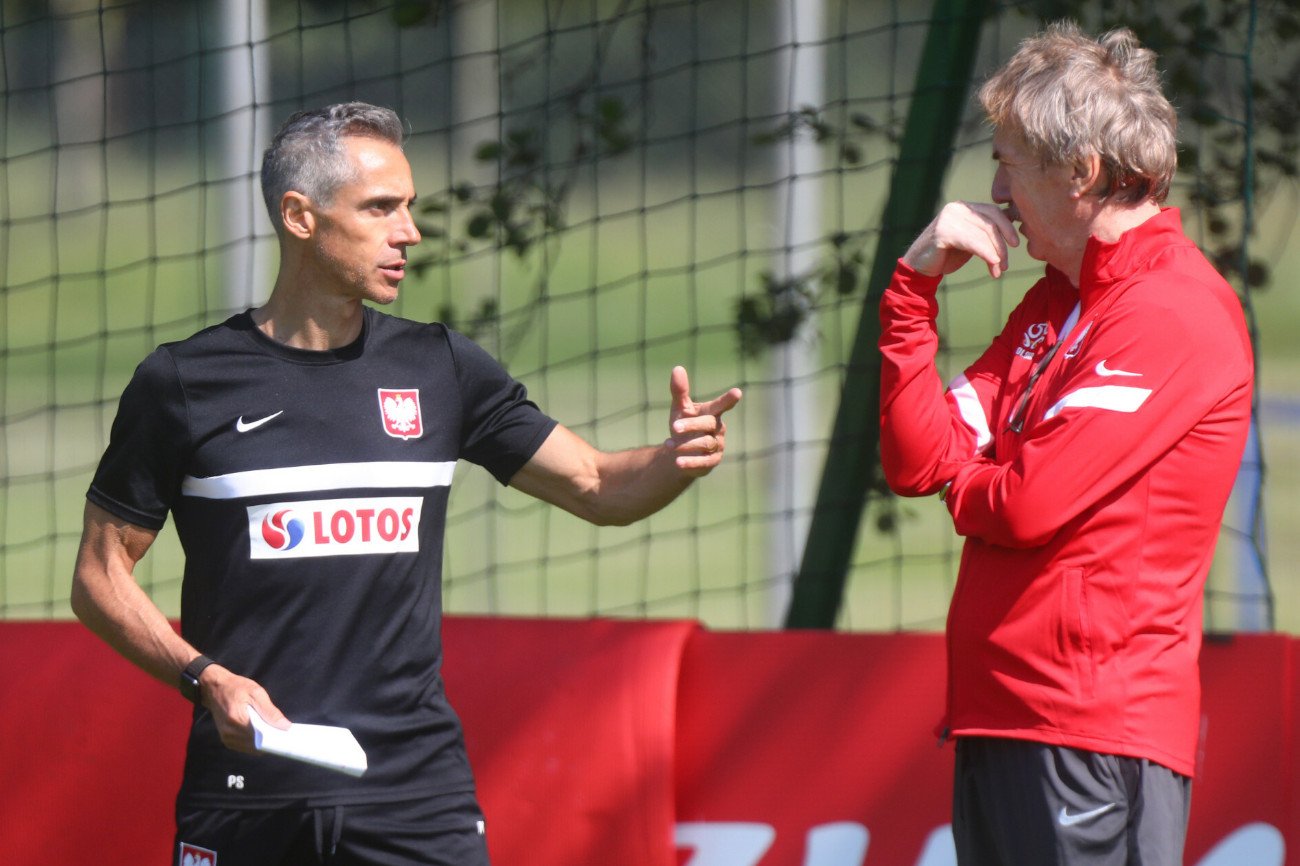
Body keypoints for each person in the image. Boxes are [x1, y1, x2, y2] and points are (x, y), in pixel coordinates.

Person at [70, 102, 742, 866]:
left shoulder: (441, 368)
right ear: (300, 216)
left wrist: (672, 460)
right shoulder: (183, 382)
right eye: (382, 208)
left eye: (411, 207)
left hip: (414, 796)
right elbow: (99, 575)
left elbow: (595, 485)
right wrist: (205, 677)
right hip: (244, 791)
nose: (410, 232)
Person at [878, 22, 1253, 865]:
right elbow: (915, 459)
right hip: (1002, 714)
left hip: (1091, 731)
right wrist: (913, 293)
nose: (996, 188)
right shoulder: (1059, 302)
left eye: (1008, 159)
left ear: (1080, 173)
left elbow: (1022, 505)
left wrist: (968, 485)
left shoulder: (1170, 312)